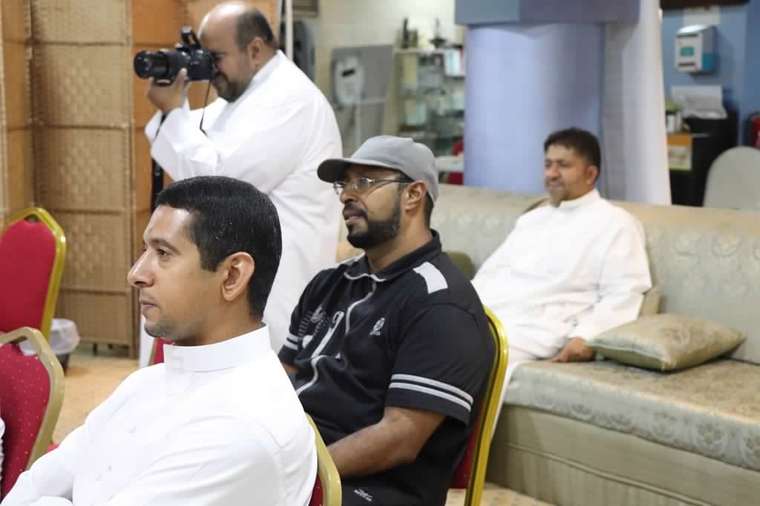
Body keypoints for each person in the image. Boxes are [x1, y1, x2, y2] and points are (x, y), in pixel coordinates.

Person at [2, 177, 315, 506]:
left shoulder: (243, 427)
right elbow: (43, 478)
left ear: (232, 276)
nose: (136, 274)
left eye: (163, 253)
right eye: (145, 251)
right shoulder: (148, 381)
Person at [279, 136, 494, 506]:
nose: (347, 195)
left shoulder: (442, 304)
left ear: (413, 195)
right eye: (344, 184)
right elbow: (283, 377)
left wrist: (302, 474)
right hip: (298, 460)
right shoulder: (329, 283)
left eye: (364, 182)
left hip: (373, 487)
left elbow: (399, 438)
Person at [144, 1, 341, 352]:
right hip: (240, 276)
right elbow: (183, 141)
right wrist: (173, 100)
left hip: (279, 285)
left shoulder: (291, 100)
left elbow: (219, 188)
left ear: (255, 50)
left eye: (215, 57)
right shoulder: (243, 95)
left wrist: (173, 110)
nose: (209, 68)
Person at [472, 127, 652, 381]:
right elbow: (490, 274)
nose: (551, 174)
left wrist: (586, 336)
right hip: (488, 314)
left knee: (459, 354)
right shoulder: (532, 219)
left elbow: (624, 291)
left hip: (537, 328)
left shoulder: (616, 223)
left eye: (563, 165)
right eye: (548, 165)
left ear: (590, 174)